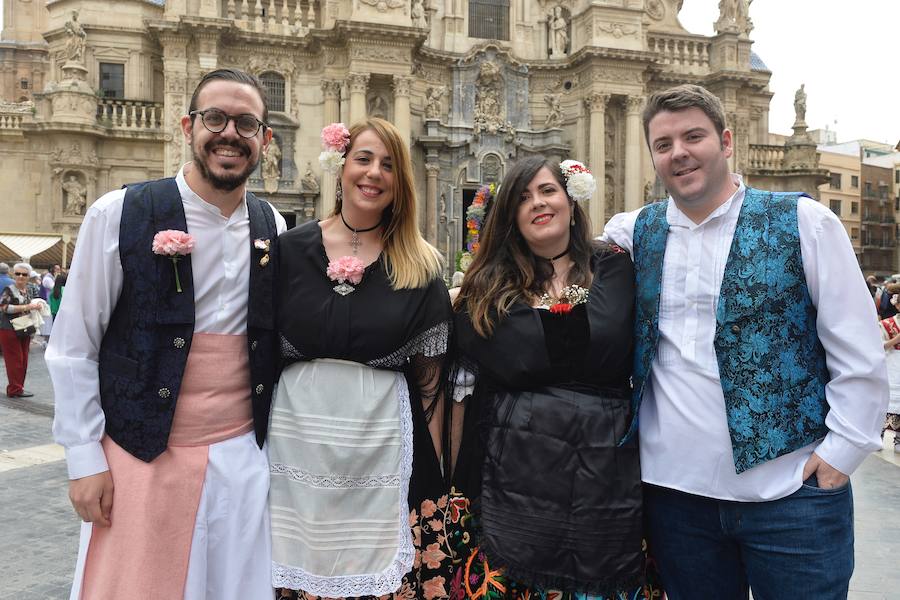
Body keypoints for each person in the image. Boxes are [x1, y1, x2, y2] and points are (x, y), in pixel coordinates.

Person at [602, 83, 888, 599]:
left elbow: (859, 350)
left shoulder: (804, 223)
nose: (679, 153)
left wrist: (841, 455)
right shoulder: (631, 233)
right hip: (676, 497)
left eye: (694, 137)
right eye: (663, 145)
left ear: (727, 141)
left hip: (791, 495)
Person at [47, 67, 286, 600]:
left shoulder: (274, 225)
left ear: (265, 140)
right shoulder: (119, 213)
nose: (229, 134)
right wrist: (84, 459)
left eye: (246, 123)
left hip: (243, 458)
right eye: (215, 119)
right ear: (187, 126)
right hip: (142, 454)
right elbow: (73, 345)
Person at [449, 156, 656, 600]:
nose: (537, 204)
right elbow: (516, 357)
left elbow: (590, 341)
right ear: (510, 215)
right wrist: (580, 341)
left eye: (547, 191)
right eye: (522, 198)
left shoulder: (614, 264)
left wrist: (539, 339)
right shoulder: (487, 282)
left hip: (604, 480)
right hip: (512, 478)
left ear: (570, 198)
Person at [270, 118, 451, 600]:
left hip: (384, 450)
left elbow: (430, 383)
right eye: (364, 159)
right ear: (341, 164)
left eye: (388, 165)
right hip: (295, 449)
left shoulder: (421, 263)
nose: (373, 174)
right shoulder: (287, 250)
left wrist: (433, 481)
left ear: (401, 182)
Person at [0, 262, 41, 398]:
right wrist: (27, 307)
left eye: (24, 274)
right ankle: (14, 389)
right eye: (18, 274)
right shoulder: (9, 289)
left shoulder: (28, 289)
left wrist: (36, 305)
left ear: (29, 276)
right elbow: (4, 307)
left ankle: (19, 387)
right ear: (13, 274)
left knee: (23, 360)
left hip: (24, 327)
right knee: (15, 361)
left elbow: (31, 305)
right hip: (9, 329)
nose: (21, 277)